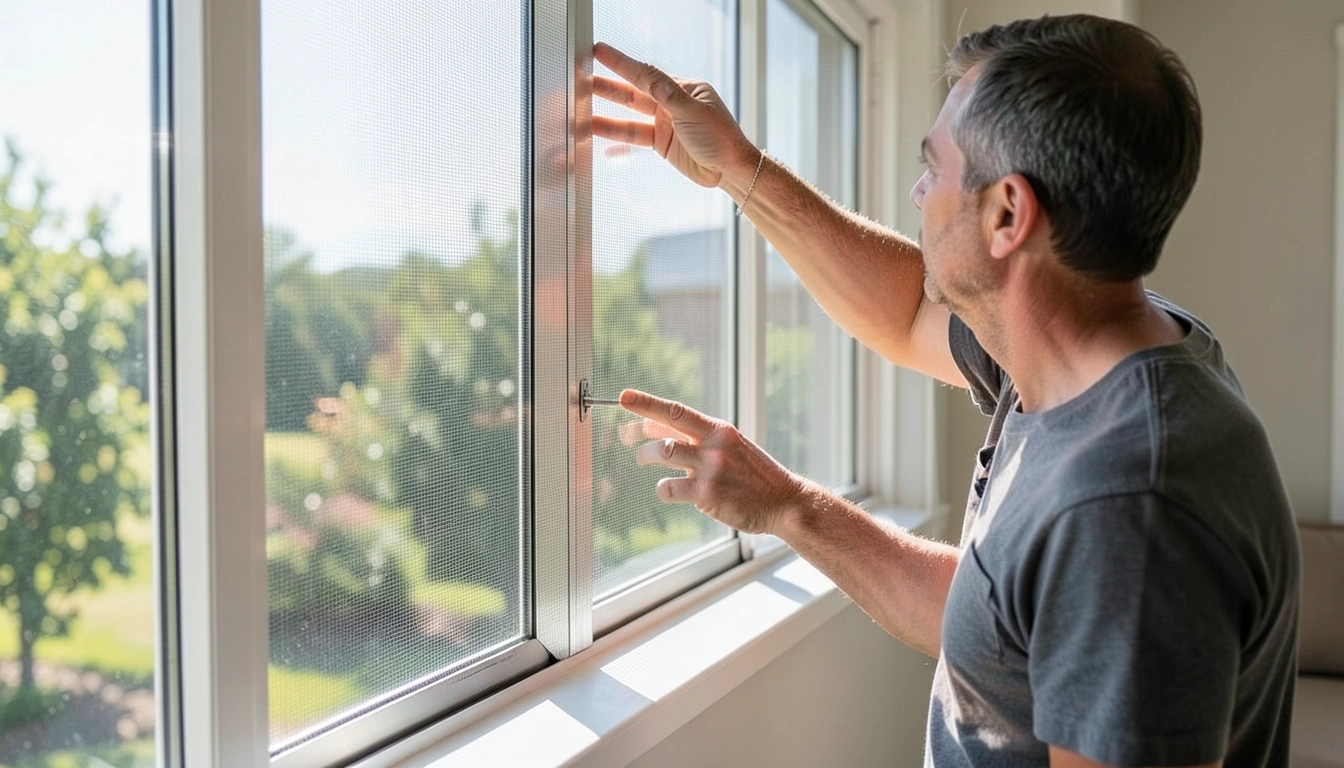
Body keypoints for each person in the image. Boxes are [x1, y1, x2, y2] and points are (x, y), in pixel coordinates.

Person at [592, 13, 1300, 768]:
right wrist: (737, 167)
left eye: (933, 167)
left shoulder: (1130, 508)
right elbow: (1009, 623)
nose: (915, 189)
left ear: (1007, 215)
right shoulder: (1089, 349)